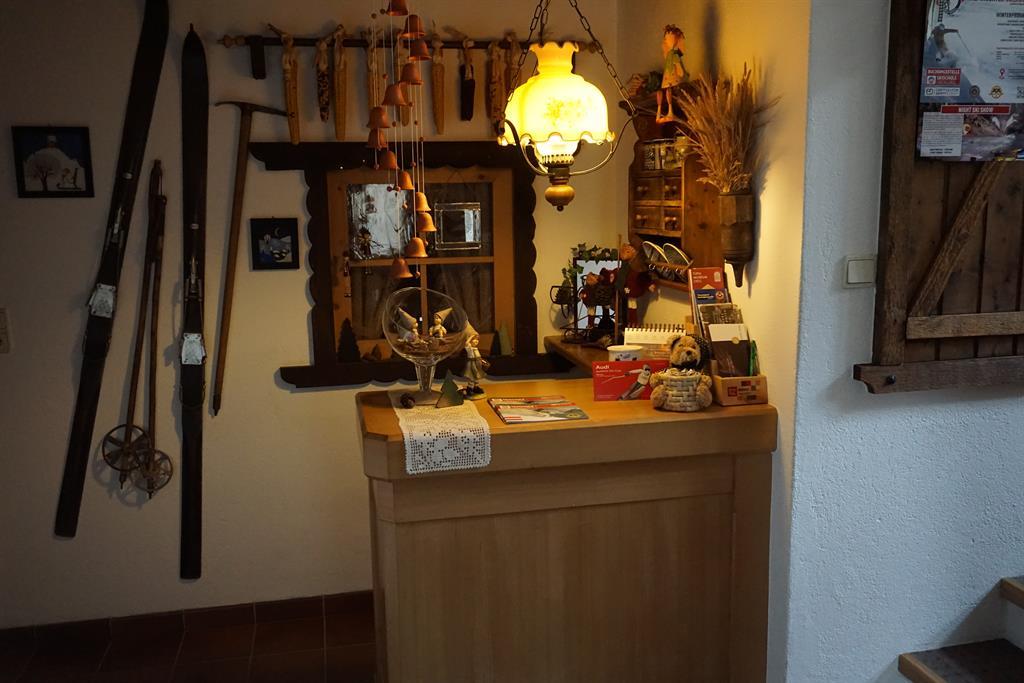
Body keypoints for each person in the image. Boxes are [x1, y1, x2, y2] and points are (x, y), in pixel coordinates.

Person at [656, 25, 688, 124]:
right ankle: (668, 112)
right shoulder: (669, 54)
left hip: (673, 77)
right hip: (668, 76)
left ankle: (670, 111)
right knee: (667, 92)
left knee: (672, 92)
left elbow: (679, 67)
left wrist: (682, 73)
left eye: (670, 38)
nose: (667, 41)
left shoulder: (674, 54)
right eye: (666, 39)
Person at [461, 333, 490, 398]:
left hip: (477, 365)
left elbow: (478, 357)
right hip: (472, 364)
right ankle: (470, 388)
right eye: (474, 339)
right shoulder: (469, 349)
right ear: (470, 340)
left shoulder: (476, 349)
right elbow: (466, 343)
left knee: (477, 377)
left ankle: (476, 387)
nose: (476, 341)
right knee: (472, 377)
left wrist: (482, 361)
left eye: (477, 340)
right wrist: (471, 336)